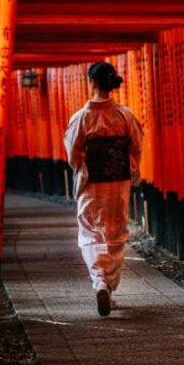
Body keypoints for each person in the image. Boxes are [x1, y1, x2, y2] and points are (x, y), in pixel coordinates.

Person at [63, 61, 144, 317]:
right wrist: (129, 167)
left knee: (90, 231)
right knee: (116, 232)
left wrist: (82, 165)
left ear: (92, 83)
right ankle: (109, 284)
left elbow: (73, 153)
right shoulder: (125, 115)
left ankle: (99, 281)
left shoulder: (81, 117)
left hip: (92, 182)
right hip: (117, 181)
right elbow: (136, 147)